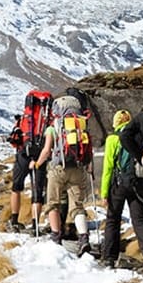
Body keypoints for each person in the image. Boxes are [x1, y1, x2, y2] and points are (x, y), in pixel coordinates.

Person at [32, 97, 94, 254]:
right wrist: (89, 167)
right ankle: (84, 238)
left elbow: (47, 150)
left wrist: (37, 164)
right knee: (77, 206)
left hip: (58, 169)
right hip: (79, 169)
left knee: (53, 203)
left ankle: (55, 236)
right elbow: (88, 150)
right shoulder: (82, 124)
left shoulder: (54, 127)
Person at [99, 110, 143, 267]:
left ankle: (109, 257)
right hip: (138, 182)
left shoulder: (112, 139)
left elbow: (108, 168)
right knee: (138, 218)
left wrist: (104, 193)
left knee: (113, 219)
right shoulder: (138, 136)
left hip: (119, 184)